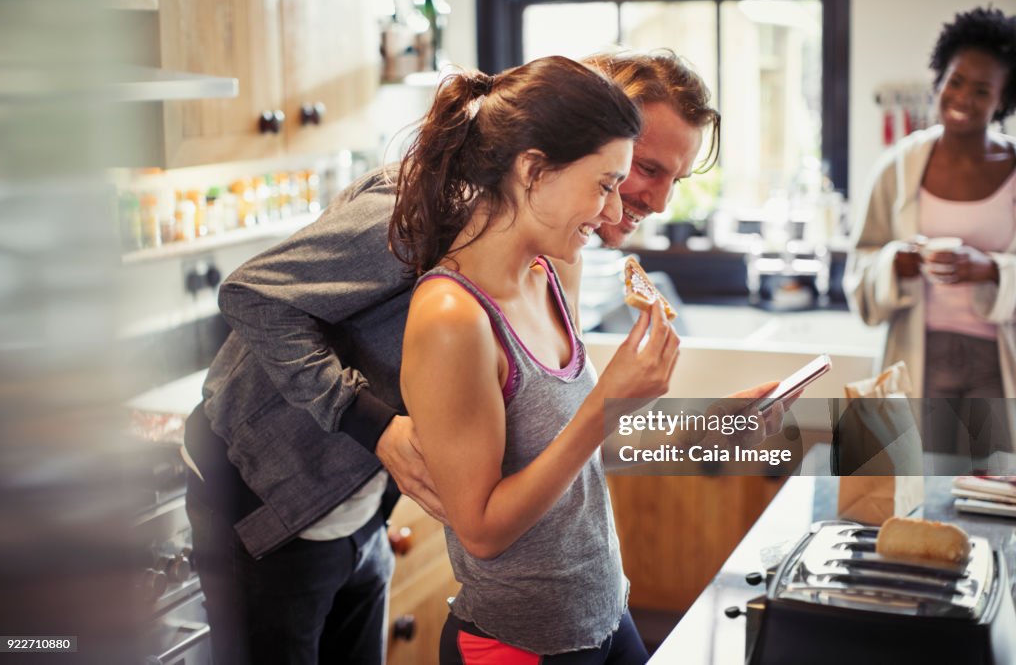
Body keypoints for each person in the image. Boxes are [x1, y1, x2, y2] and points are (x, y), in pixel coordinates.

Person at [182, 49, 737, 665]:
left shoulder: (548, 261)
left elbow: (556, 436)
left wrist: (716, 427)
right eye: (637, 170)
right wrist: (367, 421)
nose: (651, 200)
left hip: (361, 491)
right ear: (556, 152)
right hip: (273, 486)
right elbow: (251, 294)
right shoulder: (425, 218)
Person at [846, 6, 1016, 458]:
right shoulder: (897, 168)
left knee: (997, 494)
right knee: (920, 484)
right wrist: (892, 264)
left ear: (1003, 99)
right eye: (955, 81)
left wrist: (992, 272)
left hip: (1000, 363)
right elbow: (860, 263)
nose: (963, 97)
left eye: (983, 90)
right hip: (919, 357)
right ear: (938, 80)